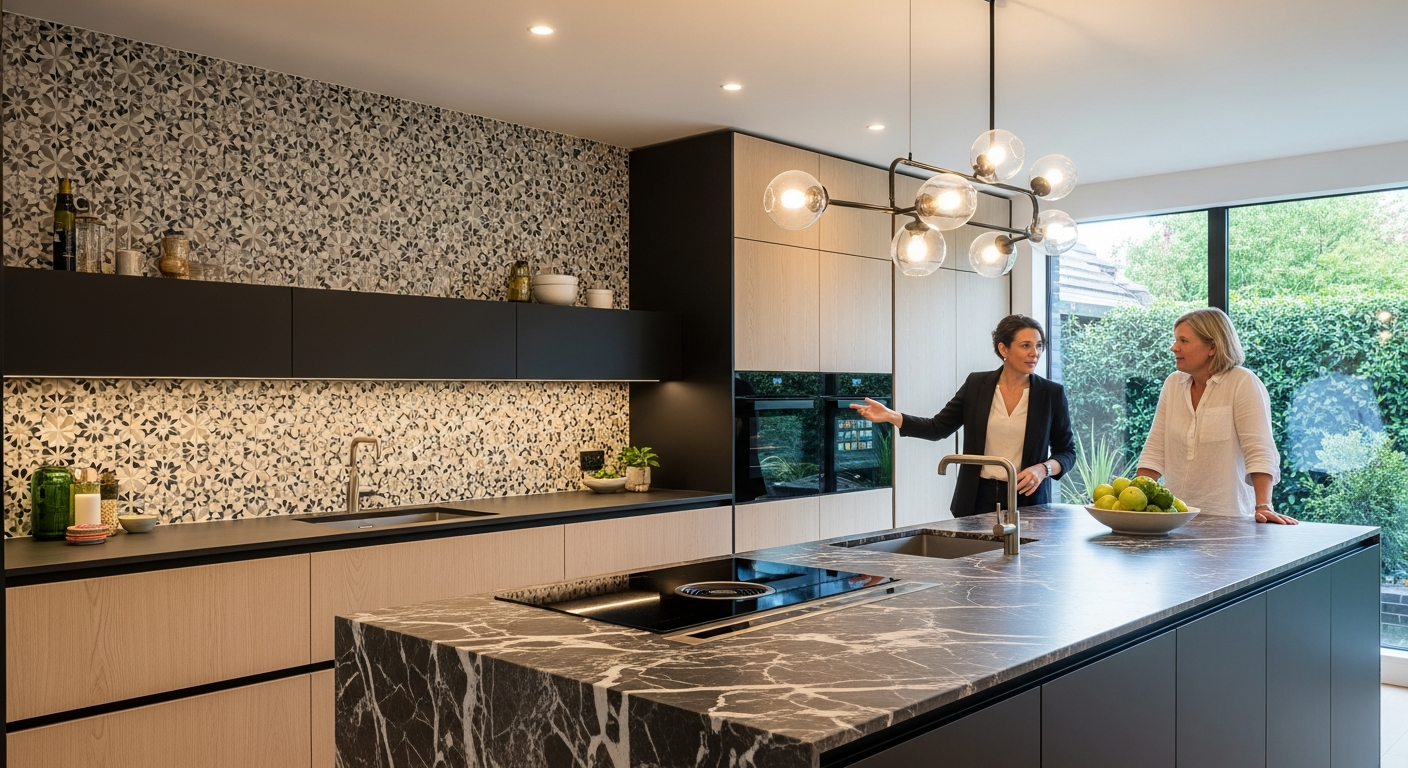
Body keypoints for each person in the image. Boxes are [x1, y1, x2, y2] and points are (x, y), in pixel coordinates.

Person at [850, 314, 1075, 518]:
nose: (1035, 353)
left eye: (1039, 345)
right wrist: (892, 416)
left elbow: (1066, 452)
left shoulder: (1051, 394)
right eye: (1026, 345)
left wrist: (1043, 469)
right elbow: (938, 427)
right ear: (1003, 349)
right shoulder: (977, 385)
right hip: (976, 499)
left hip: (1028, 501)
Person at [1135, 307, 1296, 524]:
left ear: (1212, 347)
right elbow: (1155, 449)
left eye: (1183, 341)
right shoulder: (1173, 383)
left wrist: (1263, 505)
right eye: (1176, 340)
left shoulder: (1242, 382)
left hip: (1231, 521)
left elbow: (1259, 450)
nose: (1174, 347)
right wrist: (1133, 500)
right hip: (1176, 518)